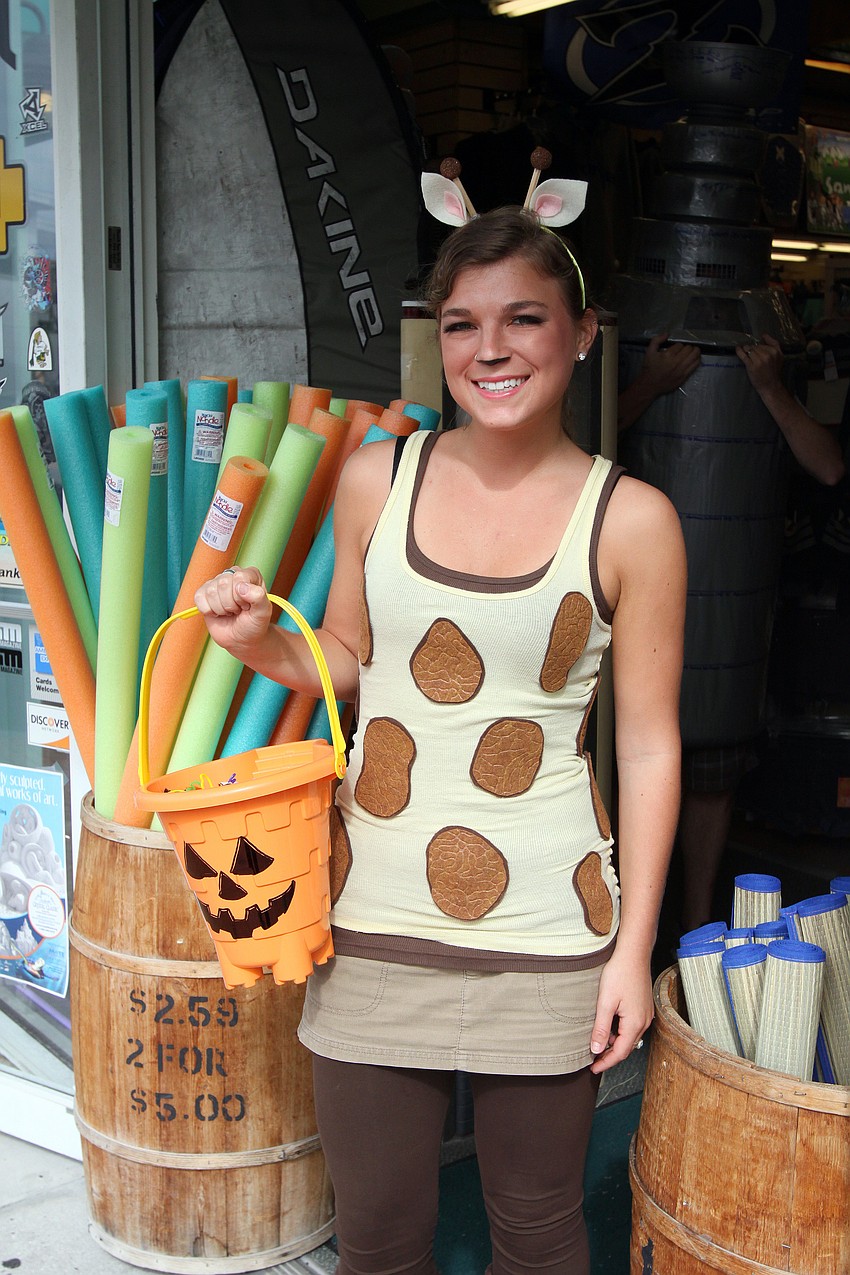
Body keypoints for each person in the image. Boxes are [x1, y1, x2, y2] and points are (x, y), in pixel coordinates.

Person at [196, 205, 687, 1275]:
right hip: (374, 917)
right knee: (375, 1241)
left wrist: (632, 951)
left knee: (538, 1233)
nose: (491, 349)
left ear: (582, 331)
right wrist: (254, 641)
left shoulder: (634, 521)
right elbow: (352, 665)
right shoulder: (378, 477)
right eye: (461, 324)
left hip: (552, 935)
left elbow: (648, 749)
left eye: (523, 318)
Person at [618, 330, 844, 934]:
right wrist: (650, 384)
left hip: (729, 603)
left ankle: (693, 923)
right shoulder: (636, 348)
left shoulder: (766, 362)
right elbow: (586, 433)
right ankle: (625, 925)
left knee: (711, 770)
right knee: (623, 763)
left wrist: (769, 388)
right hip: (628, 588)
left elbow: (828, 466)